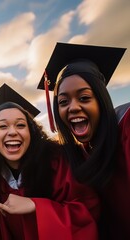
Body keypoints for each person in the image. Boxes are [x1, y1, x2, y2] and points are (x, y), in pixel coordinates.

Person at [0, 84, 100, 239]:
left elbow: (88, 211)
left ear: (31, 132)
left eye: (20, 125)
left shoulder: (58, 162)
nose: (12, 132)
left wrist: (36, 206)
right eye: (3, 126)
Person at [38, 42, 129, 239]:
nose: (73, 107)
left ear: (101, 98)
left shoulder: (126, 125)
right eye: (63, 102)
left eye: (84, 98)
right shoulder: (79, 152)